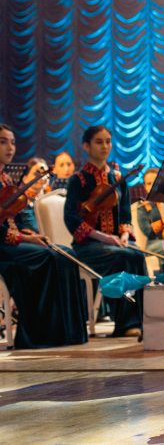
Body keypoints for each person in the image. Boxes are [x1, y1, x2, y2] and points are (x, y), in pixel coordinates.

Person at [0, 127, 88, 348]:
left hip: (12, 242)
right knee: (47, 257)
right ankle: (40, 333)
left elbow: (13, 219)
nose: (10, 147)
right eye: (3, 142)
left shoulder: (5, 179)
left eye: (12, 142)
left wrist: (28, 232)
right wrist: (24, 238)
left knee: (64, 254)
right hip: (3, 247)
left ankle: (68, 332)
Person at [63, 125, 147, 337]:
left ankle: (144, 319)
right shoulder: (78, 180)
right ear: (86, 145)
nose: (105, 146)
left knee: (136, 253)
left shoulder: (117, 178)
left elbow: (126, 216)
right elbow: (71, 219)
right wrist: (104, 237)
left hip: (117, 243)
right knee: (121, 257)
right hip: (88, 246)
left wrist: (125, 235)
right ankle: (126, 323)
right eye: (99, 142)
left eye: (108, 141)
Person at [135, 168, 164, 264]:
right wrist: (161, 223)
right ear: (145, 186)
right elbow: (148, 231)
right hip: (153, 243)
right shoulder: (142, 206)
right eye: (149, 184)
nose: (153, 186)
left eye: (156, 182)